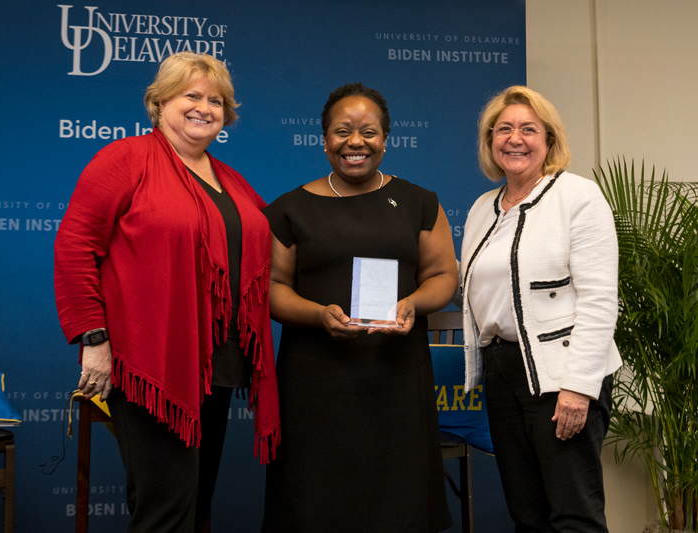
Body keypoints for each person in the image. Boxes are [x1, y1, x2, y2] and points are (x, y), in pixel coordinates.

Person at [54, 52, 280, 533]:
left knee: (195, 503)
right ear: (159, 104)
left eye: (215, 100)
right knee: (166, 508)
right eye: (190, 96)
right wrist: (94, 341)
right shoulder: (126, 158)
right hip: (150, 364)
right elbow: (76, 245)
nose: (204, 107)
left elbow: (271, 251)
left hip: (217, 363)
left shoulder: (231, 180)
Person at [261, 82, 457, 532]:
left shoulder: (418, 202)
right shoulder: (290, 210)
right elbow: (274, 288)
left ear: (386, 139)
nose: (355, 142)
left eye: (368, 132)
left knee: (398, 506)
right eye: (342, 131)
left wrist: (411, 304)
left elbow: (444, 275)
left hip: (396, 379)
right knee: (314, 505)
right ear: (324, 139)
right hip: (315, 384)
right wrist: (318, 315)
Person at [460, 85, 621, 532]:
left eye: (529, 129)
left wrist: (578, 387)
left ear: (549, 140)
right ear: (490, 141)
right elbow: (483, 293)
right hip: (503, 374)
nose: (515, 138)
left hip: (561, 375)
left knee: (573, 515)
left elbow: (599, 300)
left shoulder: (577, 197)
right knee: (527, 514)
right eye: (504, 129)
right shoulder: (481, 209)